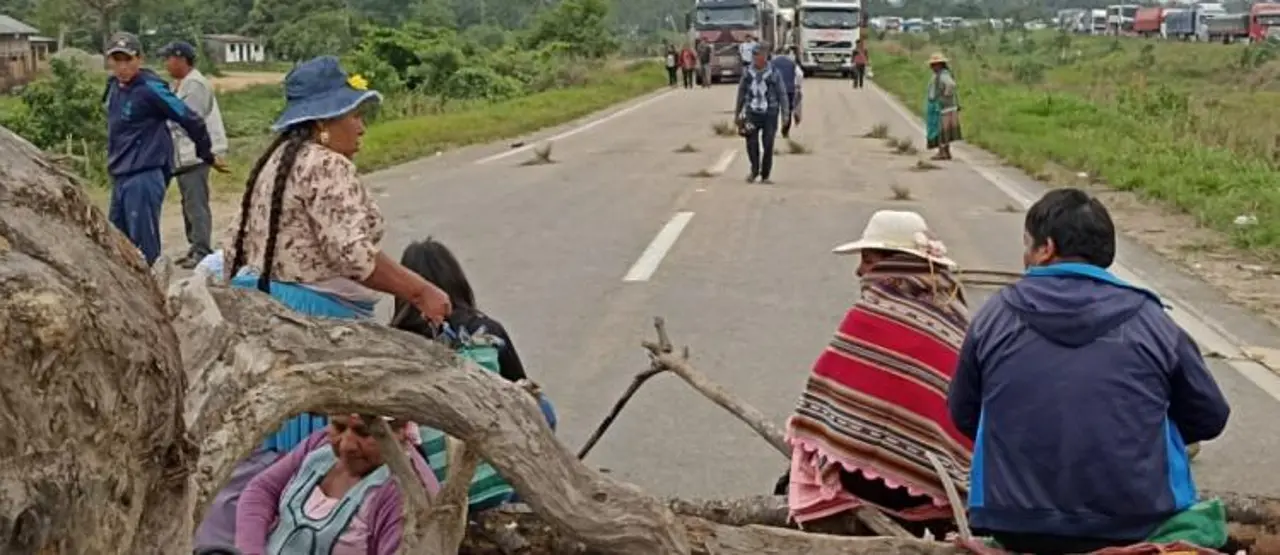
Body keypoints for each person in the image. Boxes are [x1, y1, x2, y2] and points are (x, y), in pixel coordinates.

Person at [193, 55, 452, 550]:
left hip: (263, 314)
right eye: (352, 113)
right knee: (320, 449)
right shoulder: (329, 166)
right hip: (315, 322)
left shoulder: (270, 164)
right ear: (321, 124)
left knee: (260, 447)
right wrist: (420, 290)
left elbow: (233, 252)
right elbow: (354, 257)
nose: (361, 125)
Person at [949, 188, 1231, 554]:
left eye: (1027, 244)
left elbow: (962, 414)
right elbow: (1210, 417)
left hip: (1013, 521)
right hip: (1134, 521)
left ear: (1046, 248)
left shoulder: (994, 317)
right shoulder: (1152, 321)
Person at [785, 210, 973, 537]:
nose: (860, 270)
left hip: (872, 486)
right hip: (936, 481)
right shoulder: (956, 315)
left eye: (868, 259)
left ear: (893, 263)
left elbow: (824, 398)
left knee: (800, 466)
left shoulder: (872, 311)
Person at [392, 238, 559, 512]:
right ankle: (523, 499)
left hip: (427, 471)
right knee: (543, 408)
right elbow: (520, 388)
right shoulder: (485, 331)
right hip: (492, 460)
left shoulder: (394, 341)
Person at [234, 415, 440, 554]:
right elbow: (261, 491)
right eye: (339, 427)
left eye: (364, 432)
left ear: (401, 432)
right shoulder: (320, 445)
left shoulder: (405, 495)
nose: (346, 445)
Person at [102, 31, 225, 265]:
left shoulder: (151, 88)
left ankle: (155, 296)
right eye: (117, 60)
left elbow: (191, 119)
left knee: (145, 248)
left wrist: (205, 153)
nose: (122, 66)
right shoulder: (114, 87)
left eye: (128, 59)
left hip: (144, 173)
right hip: (120, 174)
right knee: (117, 243)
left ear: (139, 59)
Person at [161, 40, 229, 269]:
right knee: (188, 203)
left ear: (180, 59)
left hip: (196, 153)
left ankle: (202, 249)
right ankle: (194, 247)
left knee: (196, 202)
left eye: (168, 58)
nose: (165, 63)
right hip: (184, 155)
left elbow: (189, 119)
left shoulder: (195, 85)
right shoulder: (179, 84)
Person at [735, 45, 789, 184]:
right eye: (755, 56)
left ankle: (765, 174)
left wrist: (785, 115)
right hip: (751, 112)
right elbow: (741, 93)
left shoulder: (774, 73)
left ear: (765, 57)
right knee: (751, 143)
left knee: (768, 144)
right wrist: (737, 113)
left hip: (770, 113)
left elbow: (782, 94)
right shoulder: (747, 73)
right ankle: (754, 169)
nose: (757, 59)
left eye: (759, 56)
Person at [924, 52, 961, 161]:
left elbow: (951, 85)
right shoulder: (939, 74)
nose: (932, 67)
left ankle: (942, 152)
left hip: (943, 107)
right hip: (943, 107)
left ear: (940, 65)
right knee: (944, 131)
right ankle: (945, 152)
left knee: (941, 131)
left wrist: (945, 95)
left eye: (935, 64)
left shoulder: (943, 75)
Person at [769, 46, 803, 139]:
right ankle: (785, 130)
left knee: (773, 110)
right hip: (789, 89)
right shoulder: (792, 63)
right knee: (787, 110)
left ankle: (772, 129)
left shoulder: (772, 62)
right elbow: (799, 74)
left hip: (775, 90)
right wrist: (797, 86)